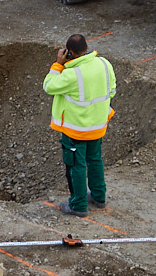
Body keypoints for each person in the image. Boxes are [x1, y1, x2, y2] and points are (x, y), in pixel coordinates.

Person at [43, 34, 117, 216]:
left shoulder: (70, 74)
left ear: (70, 52)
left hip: (75, 130)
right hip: (98, 126)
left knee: (76, 165)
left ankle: (78, 205)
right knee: (95, 160)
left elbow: (49, 86)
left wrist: (58, 64)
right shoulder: (104, 64)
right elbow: (112, 91)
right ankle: (99, 197)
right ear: (87, 47)